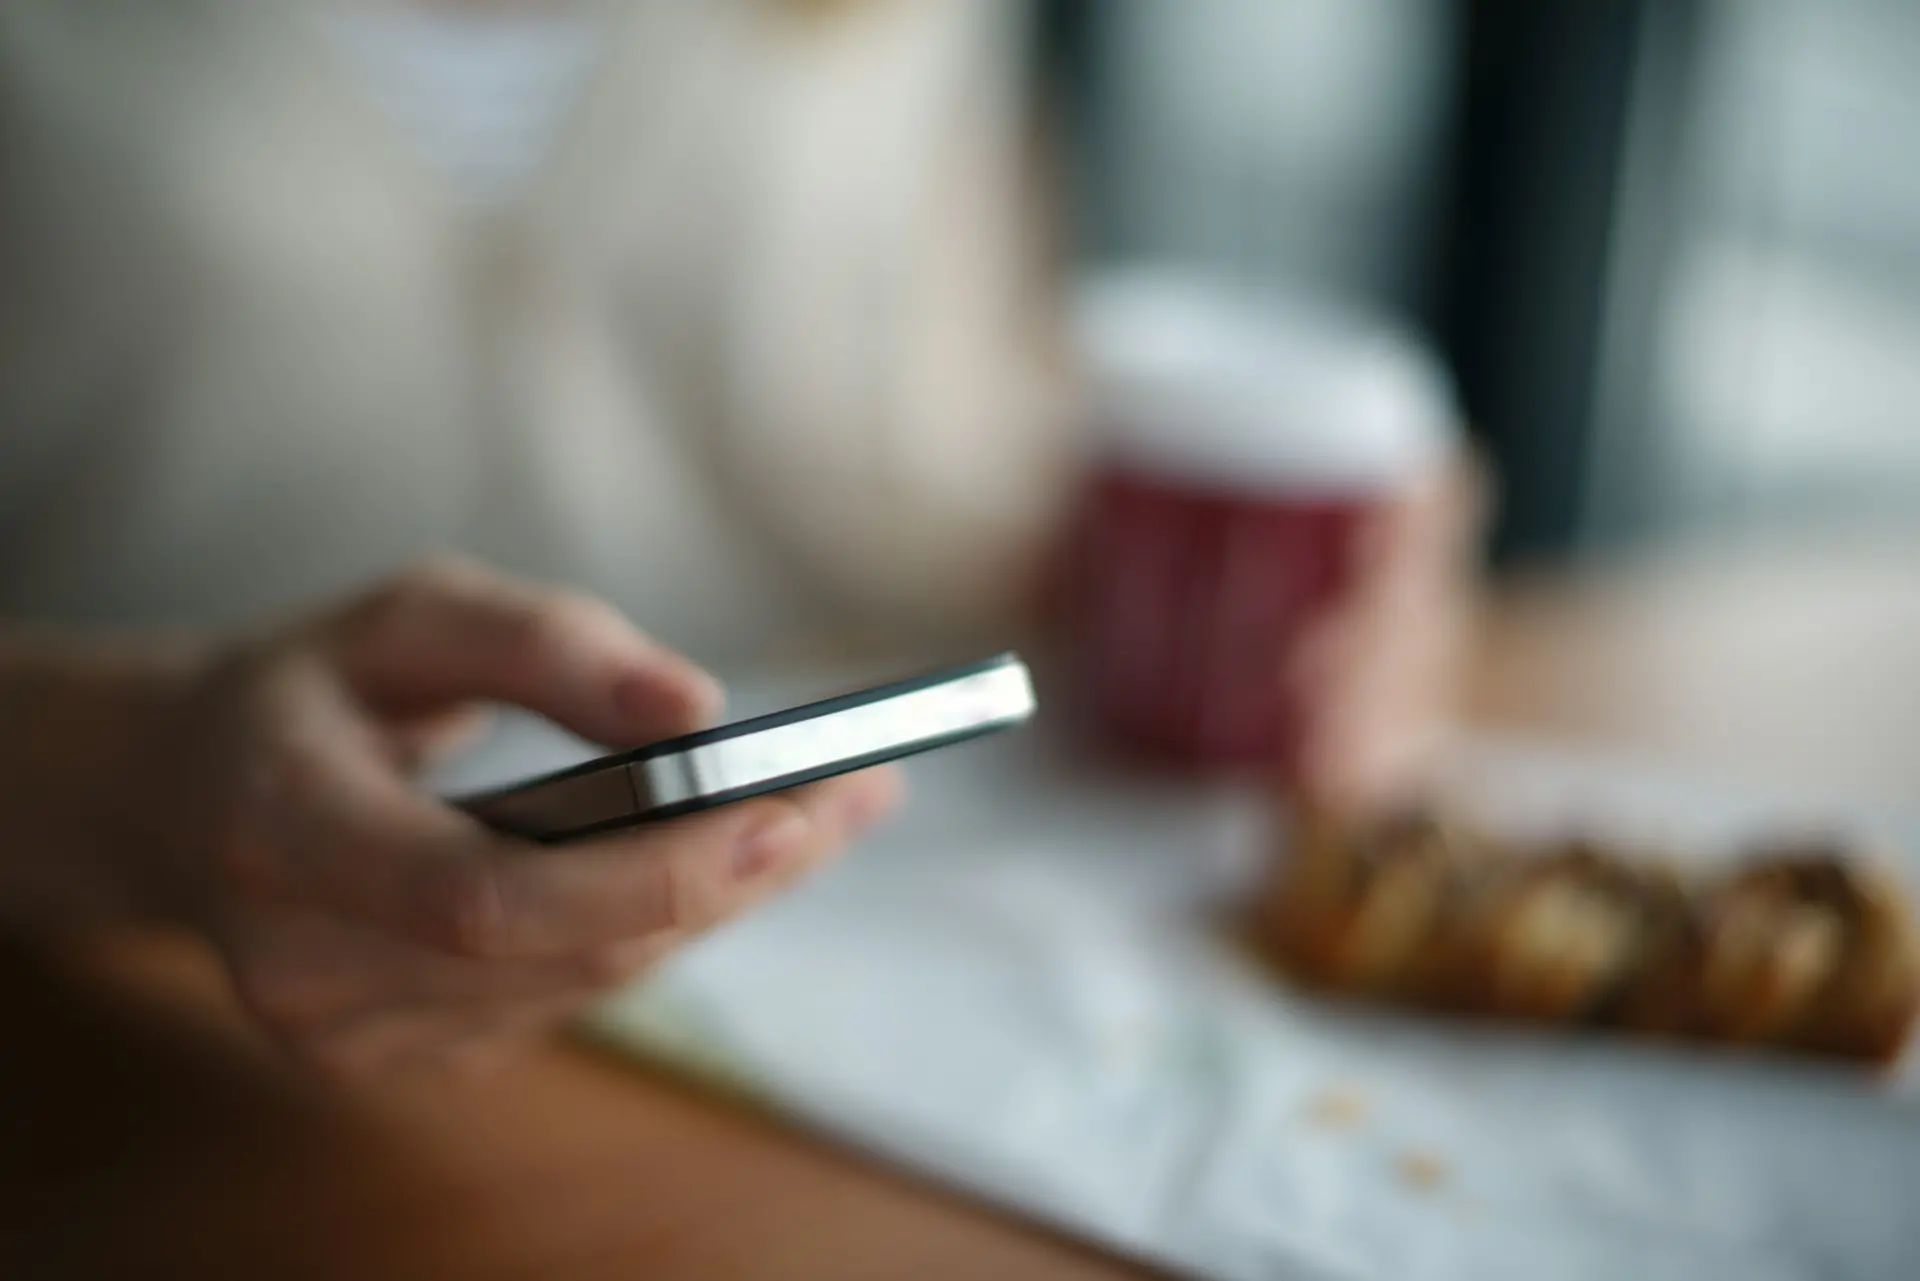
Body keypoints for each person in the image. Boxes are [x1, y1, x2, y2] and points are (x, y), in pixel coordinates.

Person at [0, 0, 1472, 1077]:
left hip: (863, 1041)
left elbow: (961, 455)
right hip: (117, 1038)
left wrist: (1287, 606)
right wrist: (122, 772)